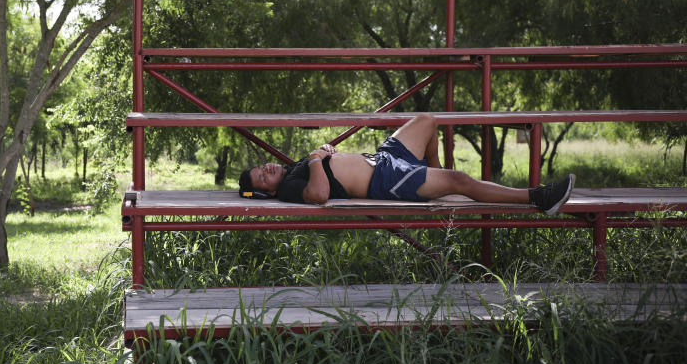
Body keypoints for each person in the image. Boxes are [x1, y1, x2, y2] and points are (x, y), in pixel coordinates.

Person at [238, 113, 575, 215]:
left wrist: (323, 153)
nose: (267, 169)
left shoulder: (292, 169)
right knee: (459, 178)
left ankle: (436, 184)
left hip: (386, 158)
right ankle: (538, 198)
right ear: (265, 192)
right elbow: (319, 196)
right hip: (386, 180)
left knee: (427, 121)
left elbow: (326, 168)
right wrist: (315, 159)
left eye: (262, 166)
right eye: (261, 178)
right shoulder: (288, 190)